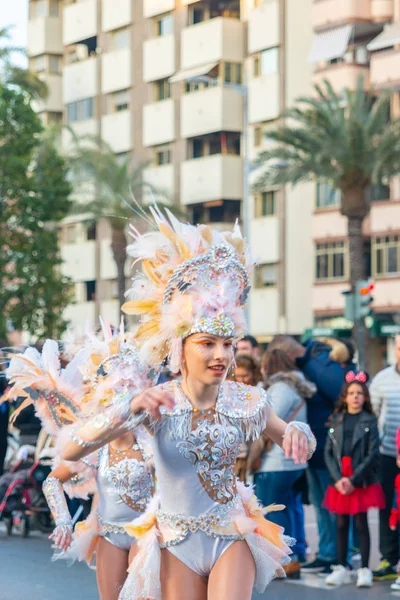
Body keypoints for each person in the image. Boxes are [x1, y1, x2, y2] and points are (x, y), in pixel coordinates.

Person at [59, 211, 316, 600]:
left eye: (227, 345)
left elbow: (291, 437)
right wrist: (128, 406)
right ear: (180, 347)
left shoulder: (246, 400)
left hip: (232, 533)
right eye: (207, 343)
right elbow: (73, 448)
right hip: (175, 540)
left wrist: (301, 434)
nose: (220, 355)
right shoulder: (155, 403)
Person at [5, 334, 155, 600]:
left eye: (128, 391)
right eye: (113, 396)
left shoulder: (153, 442)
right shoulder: (95, 447)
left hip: (146, 534)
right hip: (109, 533)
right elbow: (52, 480)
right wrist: (62, 521)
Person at [268, 335, 354, 574]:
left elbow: (339, 391)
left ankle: (338, 554)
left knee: (331, 504)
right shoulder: (313, 364)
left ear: (287, 356)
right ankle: (328, 553)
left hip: (328, 445)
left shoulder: (318, 362)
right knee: (320, 503)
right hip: (316, 447)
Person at [253, 348, 315, 574]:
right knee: (287, 508)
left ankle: (284, 560)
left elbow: (265, 418)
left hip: (277, 461)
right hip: (293, 462)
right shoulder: (296, 385)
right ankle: (294, 556)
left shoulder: (280, 388)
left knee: (273, 510)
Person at [324, 371, 385, 588]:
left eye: (359, 393)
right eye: (351, 393)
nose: (355, 397)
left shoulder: (369, 421)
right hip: (340, 478)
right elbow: (328, 452)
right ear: (345, 396)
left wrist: (353, 478)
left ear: (365, 397)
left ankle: (364, 569)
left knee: (361, 522)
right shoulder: (336, 419)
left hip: (360, 477)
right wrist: (339, 478)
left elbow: (372, 453)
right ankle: (341, 567)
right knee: (340, 523)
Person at [370, 333, 400, 581]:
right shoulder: (381, 380)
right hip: (388, 455)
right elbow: (373, 416)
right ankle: (389, 559)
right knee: (385, 506)